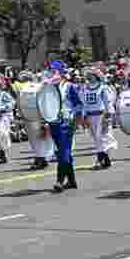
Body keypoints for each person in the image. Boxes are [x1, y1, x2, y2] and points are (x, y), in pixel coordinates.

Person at [48, 63, 83, 193]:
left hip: (66, 123)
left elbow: (78, 105)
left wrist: (75, 118)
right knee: (62, 151)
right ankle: (72, 181)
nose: (52, 73)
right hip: (54, 123)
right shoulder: (49, 87)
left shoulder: (69, 87)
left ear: (61, 72)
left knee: (63, 151)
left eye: (55, 71)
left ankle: (60, 180)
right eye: (51, 71)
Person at [81, 68, 114, 169]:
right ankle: (106, 159)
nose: (89, 77)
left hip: (101, 115)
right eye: (88, 75)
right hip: (90, 115)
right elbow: (84, 103)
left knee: (102, 137)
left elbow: (107, 101)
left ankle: (100, 159)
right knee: (96, 138)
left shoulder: (103, 88)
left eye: (91, 75)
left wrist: (108, 114)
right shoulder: (84, 88)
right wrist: (84, 115)